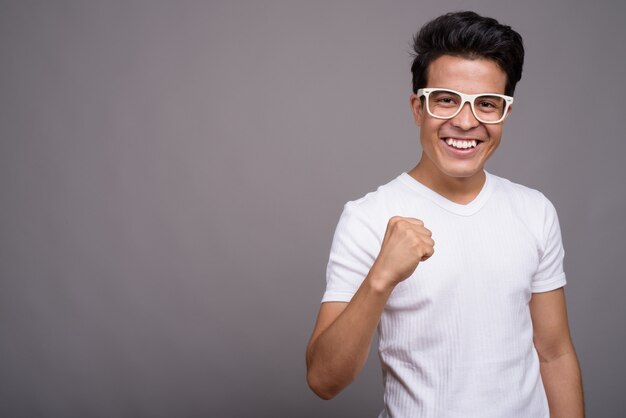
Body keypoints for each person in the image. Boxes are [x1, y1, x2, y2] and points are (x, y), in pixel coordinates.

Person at [305, 11, 584, 418]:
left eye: (487, 104)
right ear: (418, 108)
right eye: (446, 100)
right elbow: (324, 381)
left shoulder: (534, 211)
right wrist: (381, 277)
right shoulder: (367, 217)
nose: (466, 121)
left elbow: (555, 355)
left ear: (505, 113)